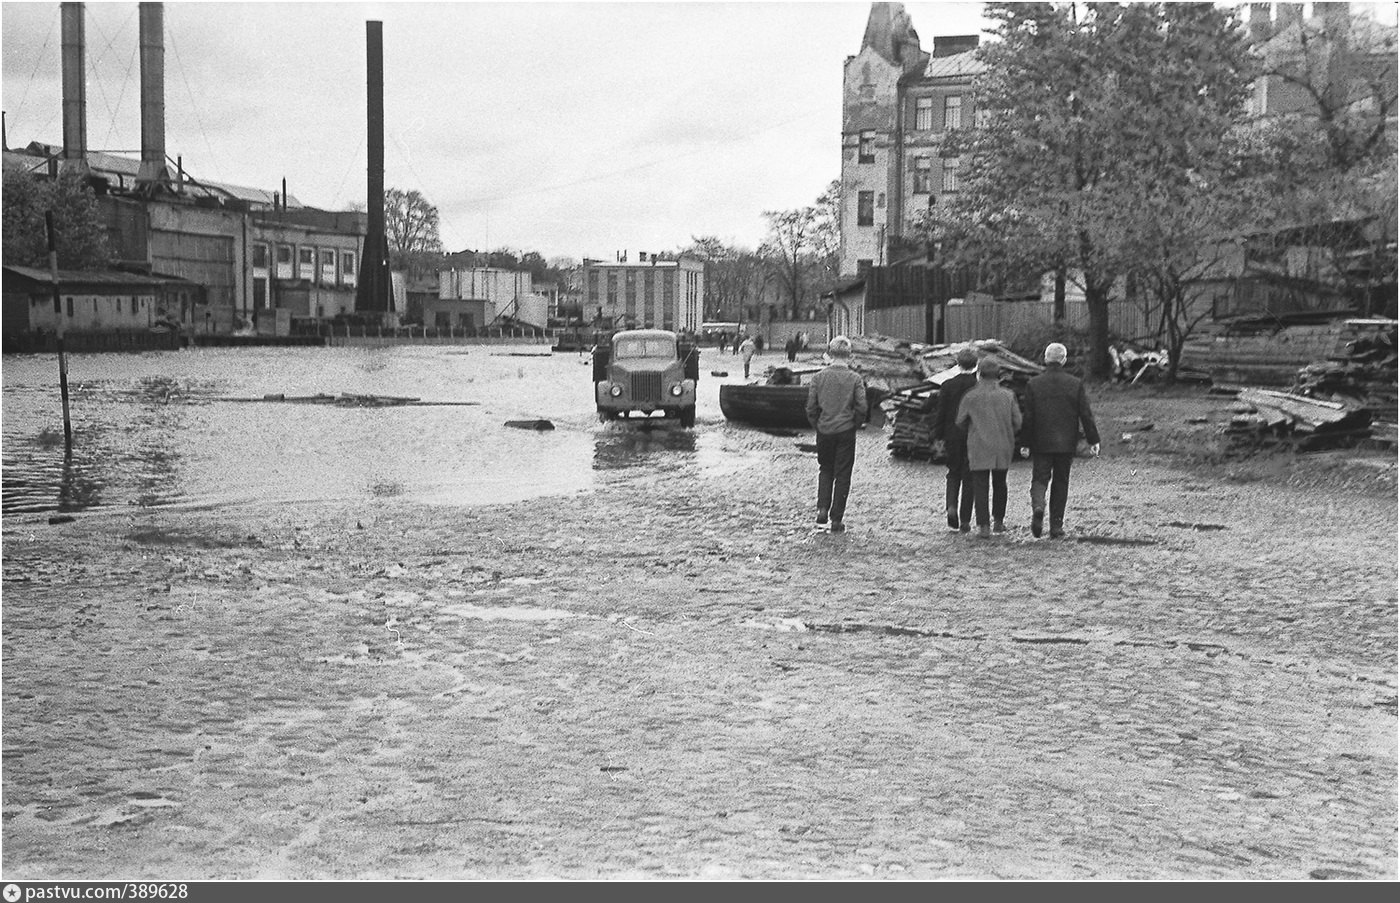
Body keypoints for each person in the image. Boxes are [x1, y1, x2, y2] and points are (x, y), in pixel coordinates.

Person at [1019, 342, 1101, 539]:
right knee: (1061, 482)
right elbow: (1085, 414)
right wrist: (1093, 439)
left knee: (1039, 478)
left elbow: (1028, 416)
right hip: (1065, 441)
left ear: (1045, 359)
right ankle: (1056, 526)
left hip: (1041, 441)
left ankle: (1039, 506)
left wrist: (1025, 442)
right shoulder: (1075, 384)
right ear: (1063, 360)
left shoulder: (1033, 384)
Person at [805, 335, 868, 534]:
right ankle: (836, 518)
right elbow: (862, 406)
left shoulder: (818, 377)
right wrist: (855, 424)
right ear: (849, 355)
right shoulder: (855, 379)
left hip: (824, 430)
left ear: (830, 353)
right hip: (845, 431)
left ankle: (822, 509)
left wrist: (817, 424)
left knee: (825, 470)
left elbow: (811, 407)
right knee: (843, 475)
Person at [955, 357, 1022, 539]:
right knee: (1000, 483)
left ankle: (983, 526)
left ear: (979, 374)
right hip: (1003, 445)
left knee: (980, 485)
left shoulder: (970, 396)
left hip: (978, 445)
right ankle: (999, 522)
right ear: (998, 375)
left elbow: (960, 421)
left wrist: (972, 430)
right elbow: (1017, 421)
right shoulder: (1008, 395)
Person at [933, 347, 980, 532]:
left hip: (952, 434)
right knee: (970, 476)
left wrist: (938, 436)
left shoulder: (947, 385)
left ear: (957, 364)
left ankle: (951, 506)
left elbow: (941, 413)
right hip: (972, 435)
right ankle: (966, 519)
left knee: (953, 472)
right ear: (976, 365)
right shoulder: (978, 387)